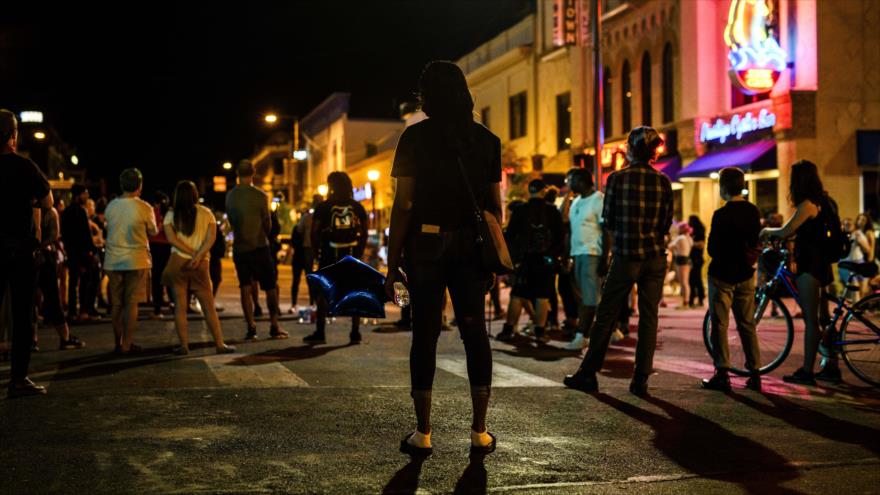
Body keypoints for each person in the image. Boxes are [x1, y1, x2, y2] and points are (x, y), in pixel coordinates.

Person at [384, 61, 501, 455]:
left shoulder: (414, 138)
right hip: (471, 248)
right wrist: (493, 257)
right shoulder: (487, 141)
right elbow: (494, 208)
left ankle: (424, 433)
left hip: (426, 247)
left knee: (425, 334)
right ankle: (480, 432)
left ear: (427, 96)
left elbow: (404, 203)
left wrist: (392, 259)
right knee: (473, 332)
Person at [564, 126, 673, 397]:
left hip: (626, 255)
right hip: (655, 256)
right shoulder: (663, 181)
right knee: (649, 317)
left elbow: (609, 220)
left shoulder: (617, 179)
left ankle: (588, 372)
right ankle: (641, 378)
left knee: (606, 314)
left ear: (631, 148)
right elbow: (665, 223)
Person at [760, 160, 836, 386]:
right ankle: (832, 365)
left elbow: (786, 230)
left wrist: (765, 231)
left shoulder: (808, 205)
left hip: (810, 266)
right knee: (821, 319)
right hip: (822, 264)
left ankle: (807, 371)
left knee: (811, 321)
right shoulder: (825, 201)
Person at [1, 109, 55, 397]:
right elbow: (48, 202)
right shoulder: (25, 167)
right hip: (20, 250)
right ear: (12, 136)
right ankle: (18, 379)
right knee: (22, 316)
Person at [701, 167, 762, 392]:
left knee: (720, 324)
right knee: (747, 324)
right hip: (745, 273)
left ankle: (723, 372)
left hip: (722, 275)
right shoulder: (752, 211)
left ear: (723, 187)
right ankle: (755, 373)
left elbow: (713, 248)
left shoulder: (722, 214)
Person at [162, 181, 235, 355]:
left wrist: (190, 252)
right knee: (208, 306)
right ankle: (219, 343)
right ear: (195, 195)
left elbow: (172, 239)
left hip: (178, 262)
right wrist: (198, 255)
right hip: (201, 264)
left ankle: (184, 346)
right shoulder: (206, 213)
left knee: (180, 306)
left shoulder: (170, 215)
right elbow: (211, 238)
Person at [225, 160, 288, 341]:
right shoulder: (260, 195)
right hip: (260, 246)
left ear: (237, 173)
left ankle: (251, 327)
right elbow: (267, 222)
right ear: (253, 173)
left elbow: (231, 221)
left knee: (245, 287)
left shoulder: (230, 196)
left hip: (240, 247)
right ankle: (274, 325)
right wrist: (263, 233)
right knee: (270, 287)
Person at [303, 172, 368, 345]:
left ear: (331, 185)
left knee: (324, 292)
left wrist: (316, 251)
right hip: (352, 255)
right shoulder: (357, 207)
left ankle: (320, 331)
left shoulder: (323, 207)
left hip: (329, 256)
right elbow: (365, 231)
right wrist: (360, 250)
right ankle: (355, 332)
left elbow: (314, 232)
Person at [496, 179, 564, 344]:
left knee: (518, 294)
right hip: (545, 260)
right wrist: (555, 255)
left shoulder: (521, 211)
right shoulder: (552, 211)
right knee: (542, 295)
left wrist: (513, 258)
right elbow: (560, 237)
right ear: (543, 191)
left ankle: (509, 329)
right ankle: (540, 331)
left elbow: (510, 236)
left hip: (525, 260)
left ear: (529, 191)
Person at [103, 168, 159, 354]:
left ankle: (117, 343)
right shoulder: (144, 207)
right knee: (131, 304)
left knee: (117, 304)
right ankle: (127, 344)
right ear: (139, 185)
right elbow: (153, 231)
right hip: (136, 260)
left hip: (113, 260)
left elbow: (107, 227)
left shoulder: (111, 206)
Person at [564, 167, 606, 351]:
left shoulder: (598, 199)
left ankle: (582, 335)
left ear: (581, 181)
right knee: (584, 297)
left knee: (589, 298)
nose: (568, 184)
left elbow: (607, 231)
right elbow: (567, 225)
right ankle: (608, 329)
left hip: (592, 253)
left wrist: (605, 256)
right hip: (577, 253)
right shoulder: (576, 201)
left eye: (570, 180)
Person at [36, 202, 84, 351]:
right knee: (52, 296)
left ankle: (31, 339)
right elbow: (54, 236)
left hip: (26, 257)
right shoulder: (50, 212)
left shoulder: (23, 209)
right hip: (44, 255)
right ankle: (65, 337)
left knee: (28, 300)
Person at [61, 183, 98, 322]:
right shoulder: (81, 211)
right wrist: (92, 251)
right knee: (85, 282)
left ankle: (72, 311)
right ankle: (83, 310)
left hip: (71, 252)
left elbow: (64, 234)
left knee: (73, 283)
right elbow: (86, 235)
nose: (87, 196)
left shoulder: (66, 212)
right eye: (85, 193)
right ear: (79, 194)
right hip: (83, 253)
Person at [289, 195, 321, 312]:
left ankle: (294, 304)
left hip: (303, 249)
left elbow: (298, 230)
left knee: (297, 279)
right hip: (311, 250)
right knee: (310, 278)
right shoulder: (322, 219)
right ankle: (313, 303)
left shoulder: (307, 218)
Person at [148, 192, 172, 318]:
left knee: (157, 277)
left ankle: (157, 308)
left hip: (154, 246)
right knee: (168, 275)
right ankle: (173, 302)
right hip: (168, 246)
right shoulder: (169, 213)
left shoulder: (151, 212)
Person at [668, 222, 693, 309]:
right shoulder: (688, 237)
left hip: (682, 261)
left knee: (684, 282)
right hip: (687, 260)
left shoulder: (680, 238)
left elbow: (669, 246)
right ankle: (685, 302)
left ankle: (686, 303)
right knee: (686, 282)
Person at [688, 215, 706, 307]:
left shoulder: (699, 232)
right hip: (694, 258)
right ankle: (696, 298)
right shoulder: (693, 232)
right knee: (694, 280)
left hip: (697, 259)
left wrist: (690, 243)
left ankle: (696, 298)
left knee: (695, 280)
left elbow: (701, 244)